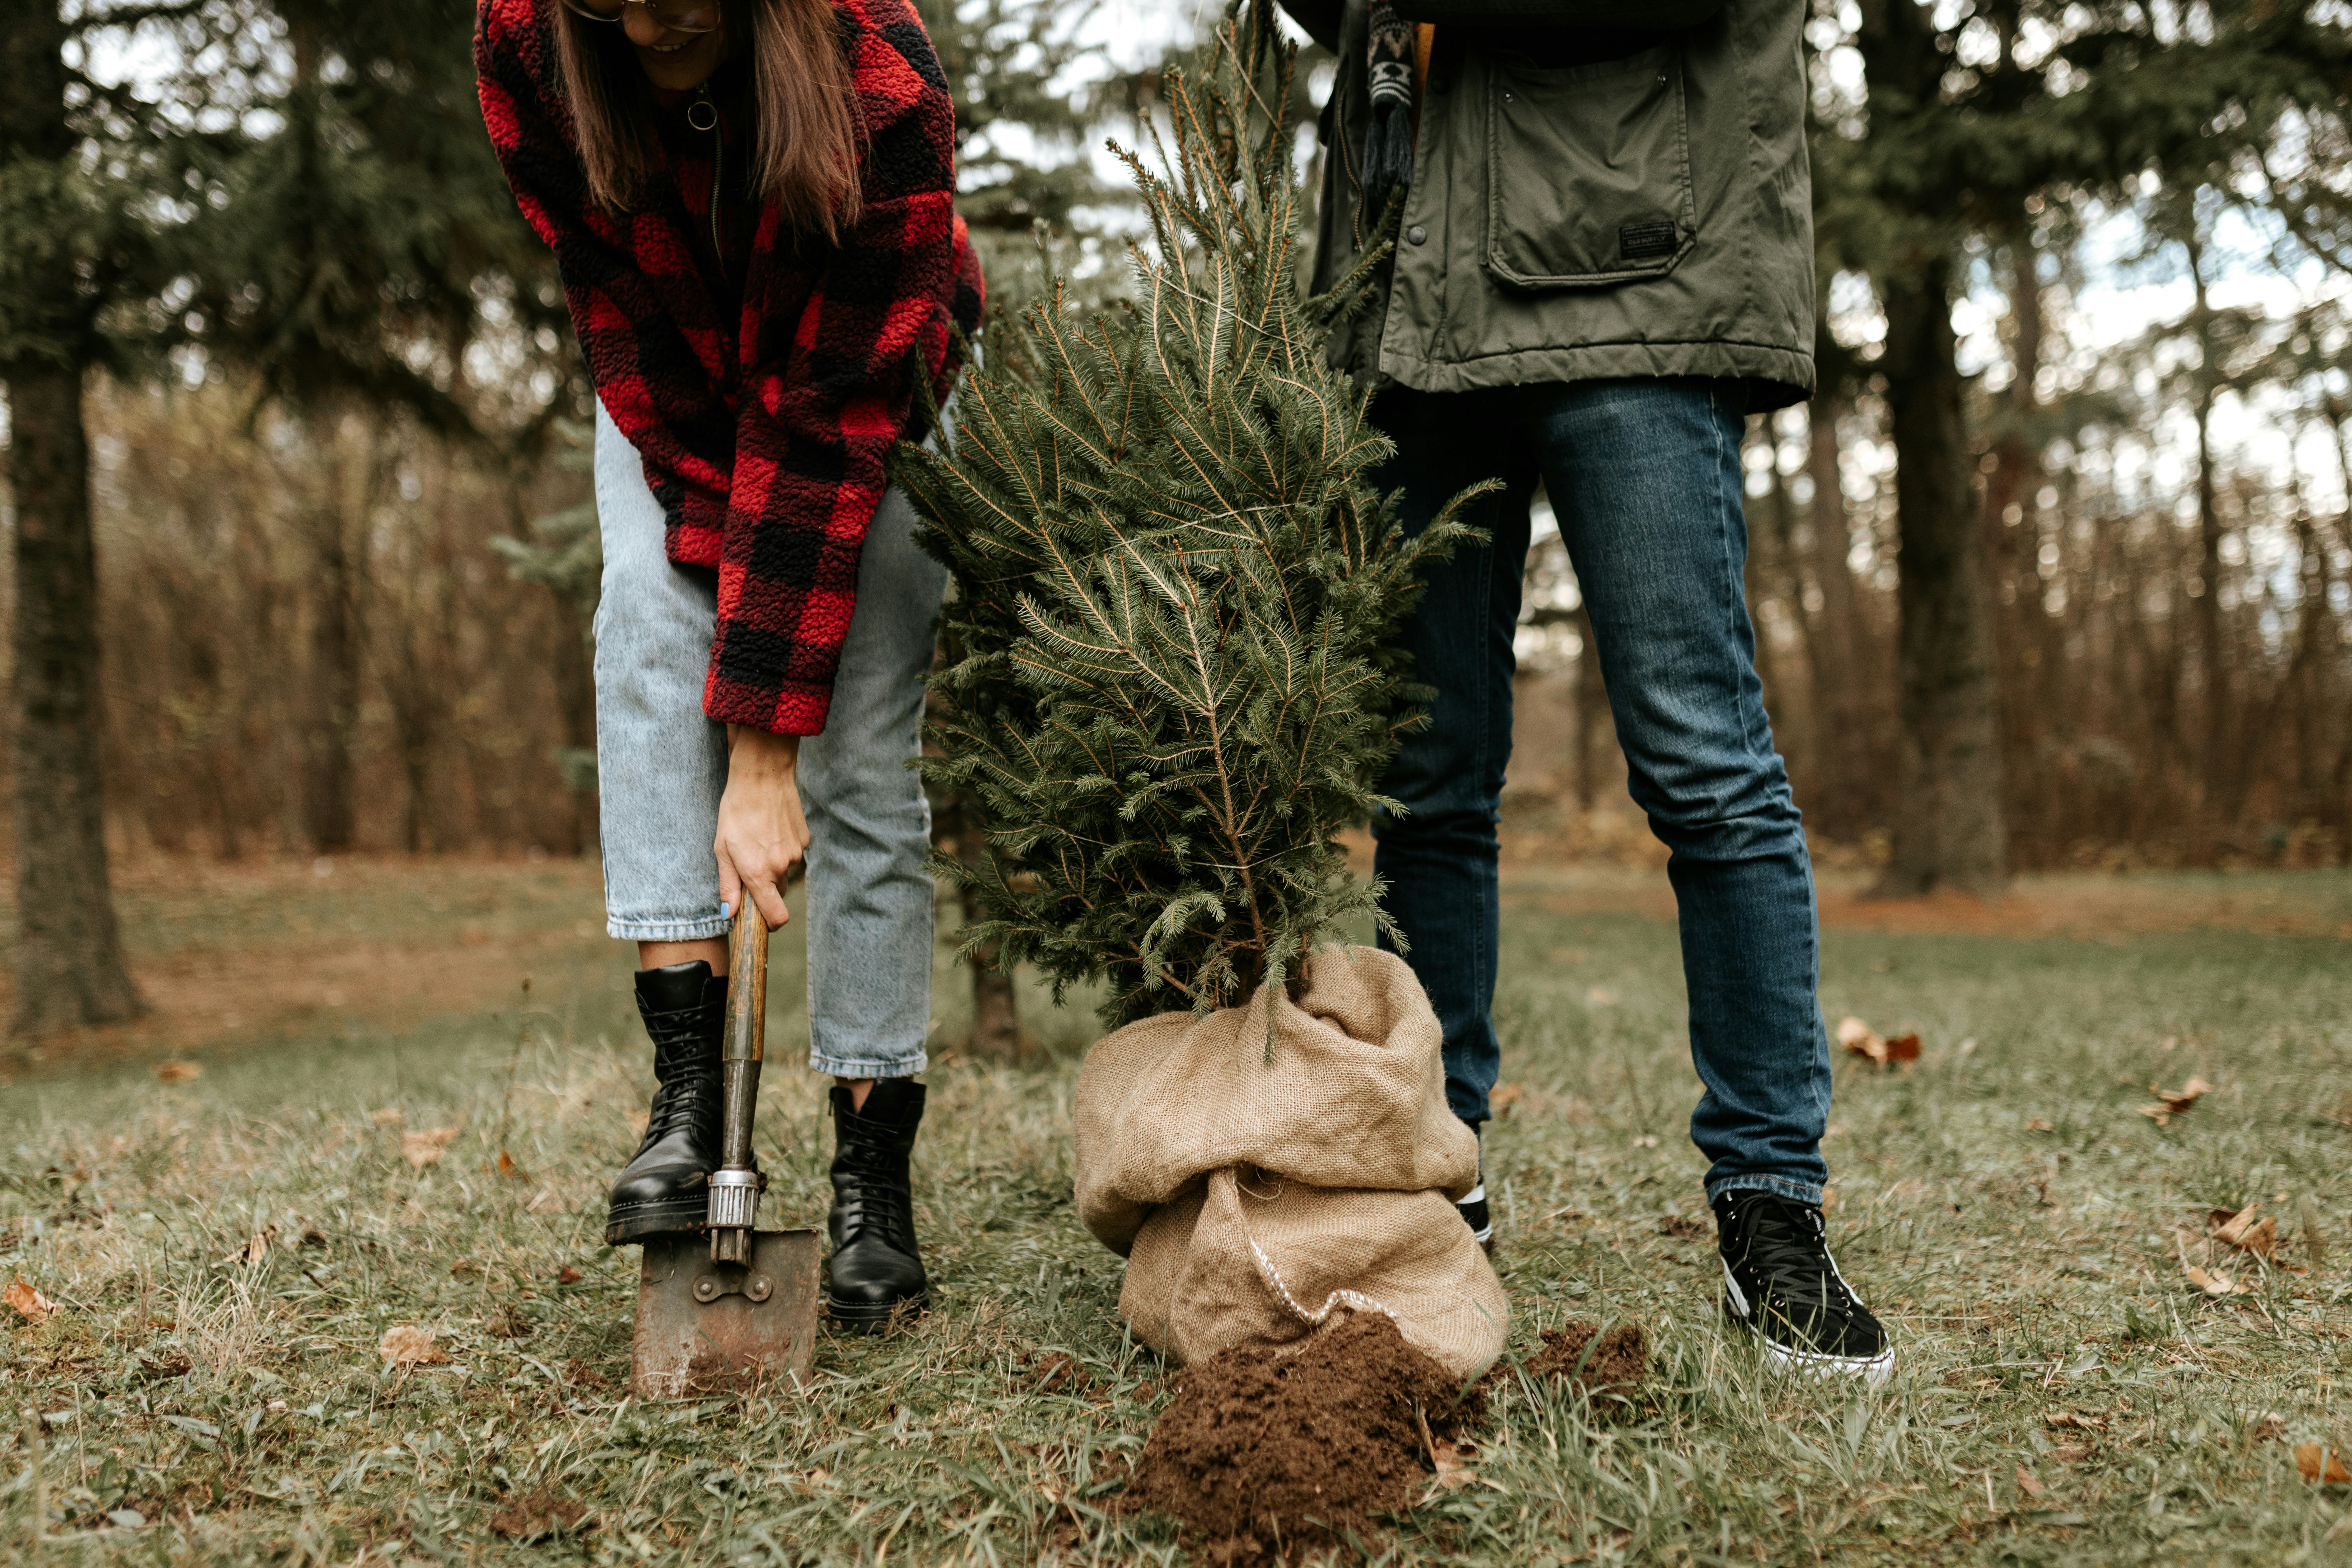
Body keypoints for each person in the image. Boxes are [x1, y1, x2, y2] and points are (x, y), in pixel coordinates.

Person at [1276, 0, 1892, 1382]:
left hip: (1634, 276)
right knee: (1424, 781)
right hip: (1410, 282)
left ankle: (1770, 1206)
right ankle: (1442, 1176)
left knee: (1705, 767)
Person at [475, 0, 981, 1331]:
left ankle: (875, 1179)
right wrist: (722, 630)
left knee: (861, 752)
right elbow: (619, 315)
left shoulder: (880, 79)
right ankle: (688, 1109)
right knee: (645, 617)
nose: (656, 19)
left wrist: (767, 751)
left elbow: (818, 437)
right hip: (672, 378)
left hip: (869, 387)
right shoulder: (527, 42)